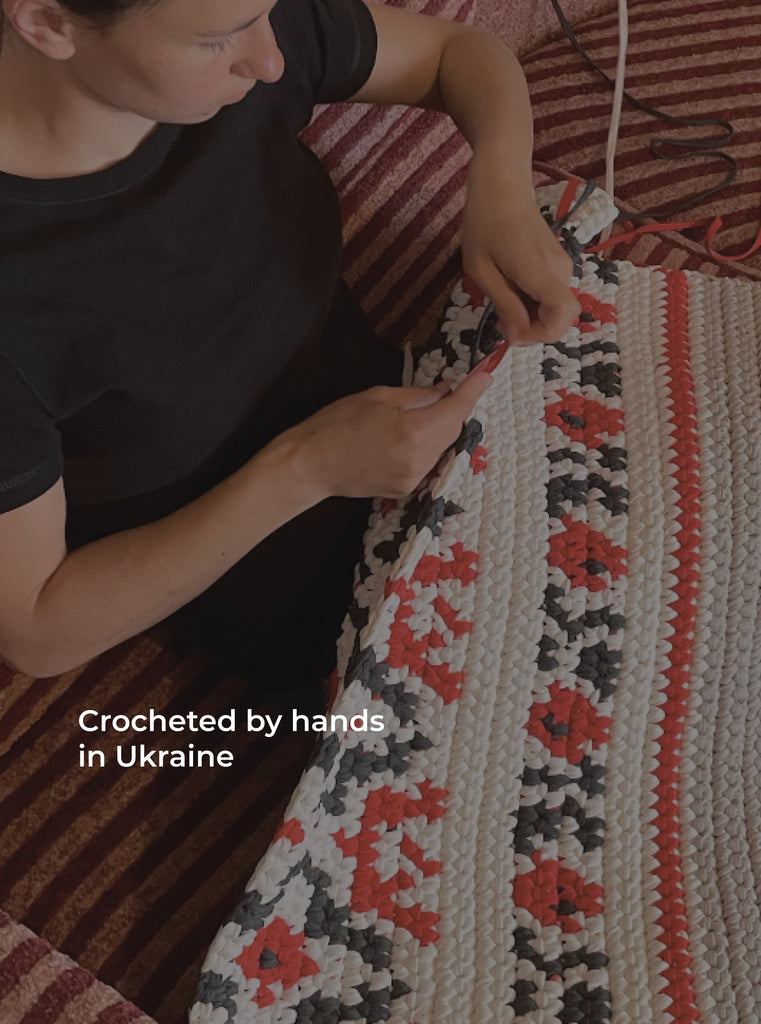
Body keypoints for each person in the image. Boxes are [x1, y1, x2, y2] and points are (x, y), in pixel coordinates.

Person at [0, 0, 579, 686]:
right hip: (305, 596)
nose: (270, 60)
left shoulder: (243, 22)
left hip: (426, 419)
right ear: (46, 21)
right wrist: (309, 468)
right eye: (215, 42)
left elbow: (458, 52)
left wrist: (502, 184)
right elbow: (38, 633)